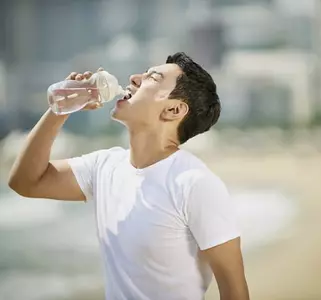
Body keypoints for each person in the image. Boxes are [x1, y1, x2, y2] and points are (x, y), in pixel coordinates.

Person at [8, 52, 249, 300]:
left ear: (174, 109)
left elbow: (234, 289)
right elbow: (25, 182)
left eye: (152, 78)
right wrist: (60, 110)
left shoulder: (195, 183)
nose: (134, 78)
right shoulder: (104, 166)